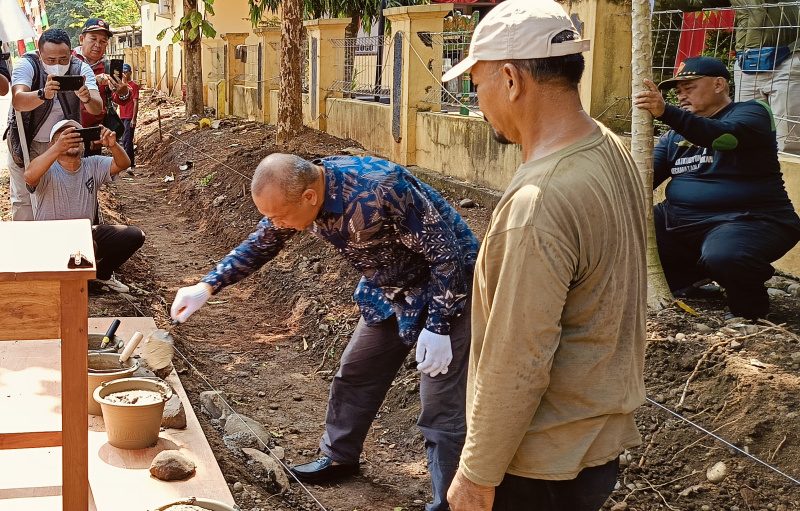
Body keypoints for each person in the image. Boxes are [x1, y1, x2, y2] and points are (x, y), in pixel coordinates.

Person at [171, 153, 479, 511]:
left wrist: (439, 325)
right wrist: (207, 286)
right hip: (387, 287)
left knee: (441, 404)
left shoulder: (381, 188)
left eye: (279, 215)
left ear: (310, 198)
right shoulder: (299, 193)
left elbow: (448, 256)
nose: (276, 223)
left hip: (448, 288)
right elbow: (263, 241)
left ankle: (451, 504)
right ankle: (338, 457)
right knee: (356, 373)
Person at [441, 1, 648, 510]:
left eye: (478, 83)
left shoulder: (539, 202)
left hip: (537, 467)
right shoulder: (610, 147)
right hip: (594, 444)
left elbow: (519, 357)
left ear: (510, 79)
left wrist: (476, 474)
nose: (477, 98)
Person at [634, 56, 800, 320]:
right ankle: (688, 279)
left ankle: (750, 312)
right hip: (680, 221)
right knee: (624, 230)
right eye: (678, 92)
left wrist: (666, 112)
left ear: (719, 84)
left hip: (748, 220)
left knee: (726, 256)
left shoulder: (752, 112)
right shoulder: (673, 136)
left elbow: (723, 138)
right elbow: (639, 180)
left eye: (689, 89)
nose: (681, 97)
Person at [24, 119, 144, 293]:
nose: (72, 140)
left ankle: (101, 275)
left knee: (134, 235)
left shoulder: (92, 164)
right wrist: (58, 149)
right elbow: (29, 176)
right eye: (64, 137)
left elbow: (123, 164)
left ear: (83, 145)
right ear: (52, 144)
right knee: (87, 248)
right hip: (49, 241)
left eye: (77, 136)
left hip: (84, 235)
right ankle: (76, 287)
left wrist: (113, 145)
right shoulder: (47, 168)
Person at [673, 0, 800, 153]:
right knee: (744, 128)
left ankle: (786, 175)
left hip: (786, 57)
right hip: (746, 62)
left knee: (788, 137)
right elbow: (692, 3)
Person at [4, 28, 101, 221]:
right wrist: (43, 94)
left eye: (63, 60)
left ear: (71, 52)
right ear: (40, 54)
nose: (57, 65)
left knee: (61, 196)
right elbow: (18, 100)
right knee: (25, 200)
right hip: (27, 144)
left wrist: (87, 98)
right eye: (51, 60)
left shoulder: (80, 68)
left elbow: (96, 107)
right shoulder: (27, 64)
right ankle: (28, 245)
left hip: (63, 146)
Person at [74, 18, 131, 156]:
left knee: (92, 175)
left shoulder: (107, 67)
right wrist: (94, 80)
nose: (97, 45)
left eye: (103, 41)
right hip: (68, 131)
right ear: (82, 39)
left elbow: (116, 99)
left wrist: (123, 92)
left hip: (94, 134)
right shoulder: (68, 60)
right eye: (93, 39)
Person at [113, 63, 139, 168]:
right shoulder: (119, 85)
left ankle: (128, 163)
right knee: (124, 140)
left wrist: (134, 118)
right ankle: (129, 162)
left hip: (129, 116)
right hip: (122, 116)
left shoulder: (133, 86)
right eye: (123, 72)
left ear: (130, 73)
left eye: (126, 72)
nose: (124, 74)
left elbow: (136, 102)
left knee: (128, 140)